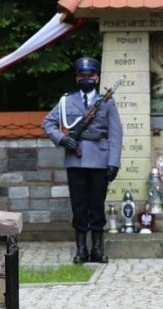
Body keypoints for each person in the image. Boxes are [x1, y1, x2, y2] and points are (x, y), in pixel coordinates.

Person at [42, 56, 123, 264]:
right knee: (78, 207)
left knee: (97, 205)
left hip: (100, 159)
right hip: (75, 161)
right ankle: (80, 249)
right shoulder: (66, 101)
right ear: (76, 77)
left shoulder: (106, 102)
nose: (86, 78)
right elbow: (48, 123)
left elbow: (116, 133)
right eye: (82, 75)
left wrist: (113, 161)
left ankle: (97, 248)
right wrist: (62, 139)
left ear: (96, 78)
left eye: (90, 75)